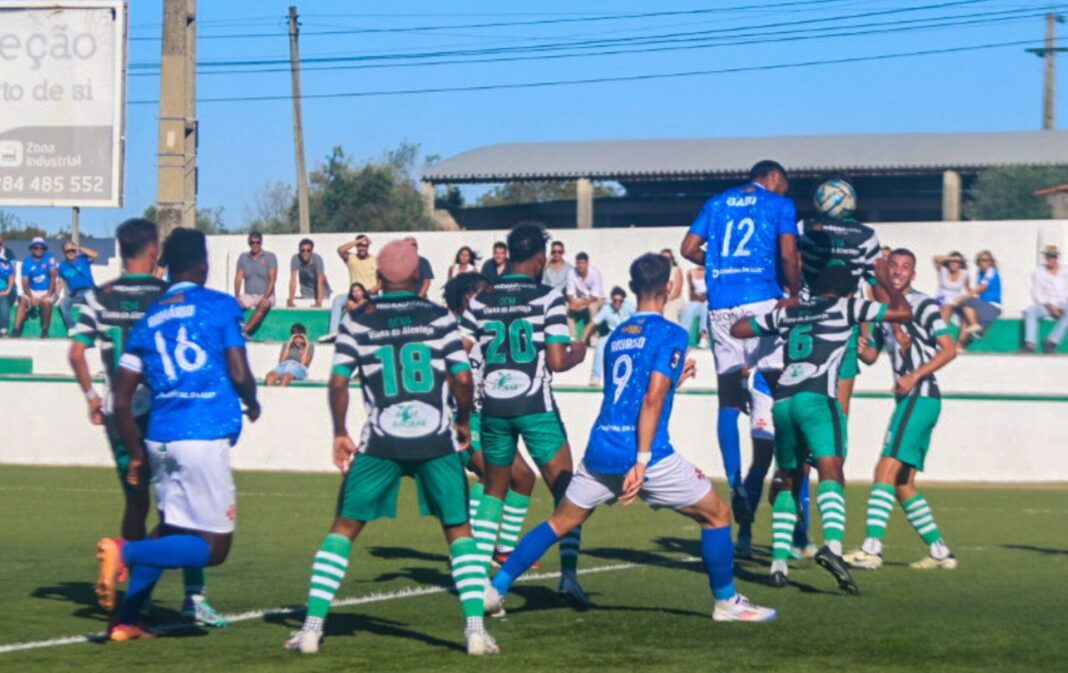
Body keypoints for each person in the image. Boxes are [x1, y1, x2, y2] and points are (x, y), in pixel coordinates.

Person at [485, 253, 777, 623]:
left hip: (600, 449)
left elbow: (626, 393)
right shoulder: (671, 333)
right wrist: (641, 461)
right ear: (669, 289)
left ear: (634, 286)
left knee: (560, 522)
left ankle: (493, 591)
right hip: (646, 454)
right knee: (717, 514)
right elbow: (651, 397)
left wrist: (674, 379)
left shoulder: (617, 333)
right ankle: (726, 602)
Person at [284, 240, 499, 656]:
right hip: (435, 439)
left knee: (343, 529)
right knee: (459, 532)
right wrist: (462, 420)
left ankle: (310, 629)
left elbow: (338, 381)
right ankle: (475, 631)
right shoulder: (439, 318)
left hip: (380, 440)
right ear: (420, 277)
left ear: (379, 279)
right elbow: (461, 377)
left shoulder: (358, 321)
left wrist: (339, 432)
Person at [95, 228, 260, 641]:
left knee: (171, 529)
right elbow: (239, 372)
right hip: (202, 436)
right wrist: (252, 401)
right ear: (203, 265)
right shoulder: (220, 305)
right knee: (214, 549)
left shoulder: (149, 317)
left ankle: (128, 619)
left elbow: (119, 395)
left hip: (160, 438)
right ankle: (124, 551)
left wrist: (135, 451)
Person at [70, 219, 227, 628]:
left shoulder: (97, 296)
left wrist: (91, 397)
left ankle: (136, 602)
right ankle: (190, 597)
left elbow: (75, 352)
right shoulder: (167, 296)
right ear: (155, 251)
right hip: (168, 413)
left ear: (121, 251)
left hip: (118, 411)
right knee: (186, 511)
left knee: (137, 503)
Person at [729, 261, 911, 593]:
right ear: (846, 290)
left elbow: (738, 329)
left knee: (788, 475)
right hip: (817, 399)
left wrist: (783, 306)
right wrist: (885, 279)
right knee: (831, 469)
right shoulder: (846, 307)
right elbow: (903, 313)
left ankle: (778, 563)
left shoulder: (792, 313)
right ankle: (834, 548)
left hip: (782, 402)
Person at [461, 223, 589, 604]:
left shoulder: (480, 301)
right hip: (535, 407)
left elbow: (459, 354)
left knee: (493, 492)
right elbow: (557, 360)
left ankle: (476, 584)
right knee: (568, 492)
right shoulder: (548, 298)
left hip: (494, 410)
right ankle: (568, 576)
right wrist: (580, 349)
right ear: (537, 258)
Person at [679, 159, 801, 523]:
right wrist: (793, 293)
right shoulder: (779, 204)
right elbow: (787, 253)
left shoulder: (717, 202)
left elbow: (688, 248)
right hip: (762, 300)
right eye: (785, 185)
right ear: (775, 177)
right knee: (776, 389)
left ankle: (735, 484)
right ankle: (786, 477)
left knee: (729, 399)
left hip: (721, 306)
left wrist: (716, 263)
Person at [844, 248, 958, 571]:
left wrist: (913, 375)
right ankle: (940, 552)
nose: (897, 271)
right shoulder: (885, 312)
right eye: (892, 266)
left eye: (904, 267)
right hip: (918, 399)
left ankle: (871, 549)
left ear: (913, 274)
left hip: (920, 396)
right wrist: (862, 340)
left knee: (884, 471)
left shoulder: (923, 304)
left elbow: (949, 349)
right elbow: (870, 357)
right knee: (903, 483)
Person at [443, 272, 540, 566]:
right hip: (461, 420)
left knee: (523, 478)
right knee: (490, 476)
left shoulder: (492, 328)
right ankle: (465, 549)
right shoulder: (454, 332)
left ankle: (504, 550)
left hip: (489, 418)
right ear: (466, 299)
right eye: (480, 294)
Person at [798, 178, 881, 416]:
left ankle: (807, 452)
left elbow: (789, 268)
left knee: (804, 400)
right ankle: (835, 449)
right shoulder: (866, 235)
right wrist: (870, 337)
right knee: (840, 409)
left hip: (807, 321)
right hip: (846, 322)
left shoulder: (804, 227)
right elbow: (871, 289)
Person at [582, 286, 636, 386]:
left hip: (629, 333)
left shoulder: (629, 306)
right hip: (613, 334)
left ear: (623, 300)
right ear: (612, 300)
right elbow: (592, 324)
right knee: (600, 345)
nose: (618, 303)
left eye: (620, 301)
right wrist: (582, 341)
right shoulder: (607, 309)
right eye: (615, 300)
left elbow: (639, 320)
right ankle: (595, 376)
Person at [329, 235, 377, 340]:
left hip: (370, 295)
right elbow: (340, 250)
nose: (362, 248)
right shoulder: (352, 258)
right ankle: (333, 332)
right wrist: (359, 240)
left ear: (368, 247)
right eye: (359, 246)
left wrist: (371, 291)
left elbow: (382, 282)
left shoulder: (375, 260)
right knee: (338, 300)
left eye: (364, 246)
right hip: (353, 295)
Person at [1022, 244, 1068, 353]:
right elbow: (1037, 293)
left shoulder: (1065, 271)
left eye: (1053, 256)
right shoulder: (1039, 272)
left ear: (1057, 257)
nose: (1050, 259)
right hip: (1046, 304)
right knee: (1031, 311)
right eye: (1048, 256)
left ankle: (1051, 341)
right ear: (1045, 257)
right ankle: (1030, 344)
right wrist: (1050, 307)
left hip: (1062, 302)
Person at [234, 231, 278, 335]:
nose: (255, 245)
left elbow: (272, 279)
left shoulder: (270, 257)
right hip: (249, 295)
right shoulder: (243, 257)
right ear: (249, 243)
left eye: (257, 242)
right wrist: (237, 296)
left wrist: (265, 297)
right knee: (231, 305)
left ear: (261, 243)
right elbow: (238, 278)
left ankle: (244, 332)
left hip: (265, 294)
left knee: (263, 305)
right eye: (252, 242)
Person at [13, 236, 58, 338]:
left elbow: (53, 276)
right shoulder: (27, 262)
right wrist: (31, 296)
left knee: (46, 302)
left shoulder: (49, 258)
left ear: (44, 249)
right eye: (36, 248)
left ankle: (45, 330)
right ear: (32, 249)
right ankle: (16, 330)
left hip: (47, 290)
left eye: (41, 248)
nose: (39, 250)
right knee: (23, 301)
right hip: (32, 290)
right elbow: (24, 283)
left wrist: (49, 293)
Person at [956, 250, 1001, 348]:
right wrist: (967, 288)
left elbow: (982, 287)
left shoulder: (991, 271)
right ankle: (959, 346)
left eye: (986, 260)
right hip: (984, 306)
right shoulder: (981, 274)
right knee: (966, 318)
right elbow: (978, 292)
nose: (984, 263)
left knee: (965, 302)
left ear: (991, 262)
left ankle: (976, 326)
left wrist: (965, 296)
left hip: (992, 306)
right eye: (981, 260)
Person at [56, 240, 98, 330]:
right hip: (74, 293)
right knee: (63, 304)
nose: (71, 253)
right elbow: (60, 282)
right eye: (68, 251)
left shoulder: (83, 259)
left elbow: (95, 255)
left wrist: (78, 247)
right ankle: (72, 328)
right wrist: (55, 295)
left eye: (73, 250)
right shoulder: (62, 266)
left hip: (88, 290)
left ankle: (97, 328)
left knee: (94, 303)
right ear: (64, 253)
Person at [565, 252, 607, 339]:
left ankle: (593, 337)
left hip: (599, 300)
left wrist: (580, 304)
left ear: (587, 264)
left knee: (592, 307)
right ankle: (572, 337)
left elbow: (595, 297)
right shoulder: (571, 273)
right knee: (567, 307)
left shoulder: (595, 273)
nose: (580, 265)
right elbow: (570, 293)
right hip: (582, 300)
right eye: (578, 263)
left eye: (583, 263)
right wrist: (573, 303)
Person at [288, 238, 330, 308]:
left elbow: (320, 280)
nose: (305, 253)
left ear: (312, 251)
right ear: (299, 250)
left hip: (322, 292)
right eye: (302, 250)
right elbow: (293, 280)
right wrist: (291, 300)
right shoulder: (295, 259)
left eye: (308, 250)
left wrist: (319, 302)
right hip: (306, 292)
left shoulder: (317, 259)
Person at [932, 251, 970, 324]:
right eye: (951, 261)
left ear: (960, 264)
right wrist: (952, 258)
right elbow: (935, 258)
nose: (953, 263)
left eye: (957, 262)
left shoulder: (964, 274)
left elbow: (968, 289)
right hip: (940, 297)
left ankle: (940, 327)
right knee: (933, 311)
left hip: (954, 299)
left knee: (948, 306)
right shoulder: (943, 270)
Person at [678, 265, 709, 347]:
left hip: (708, 299)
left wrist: (706, 296)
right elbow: (691, 290)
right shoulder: (691, 272)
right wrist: (697, 297)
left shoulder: (711, 271)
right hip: (696, 299)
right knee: (687, 310)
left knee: (705, 309)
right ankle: (684, 336)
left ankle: (704, 336)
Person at [660, 248, 684, 323]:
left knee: (668, 308)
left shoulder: (676, 270)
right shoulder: (657, 272)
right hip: (661, 300)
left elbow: (676, 292)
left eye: (668, 258)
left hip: (673, 300)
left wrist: (665, 300)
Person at [0, 233, 16, 335]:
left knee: (3, 299)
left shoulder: (8, 255)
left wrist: (7, 290)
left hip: (8, 288)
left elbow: (12, 274)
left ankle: (4, 329)